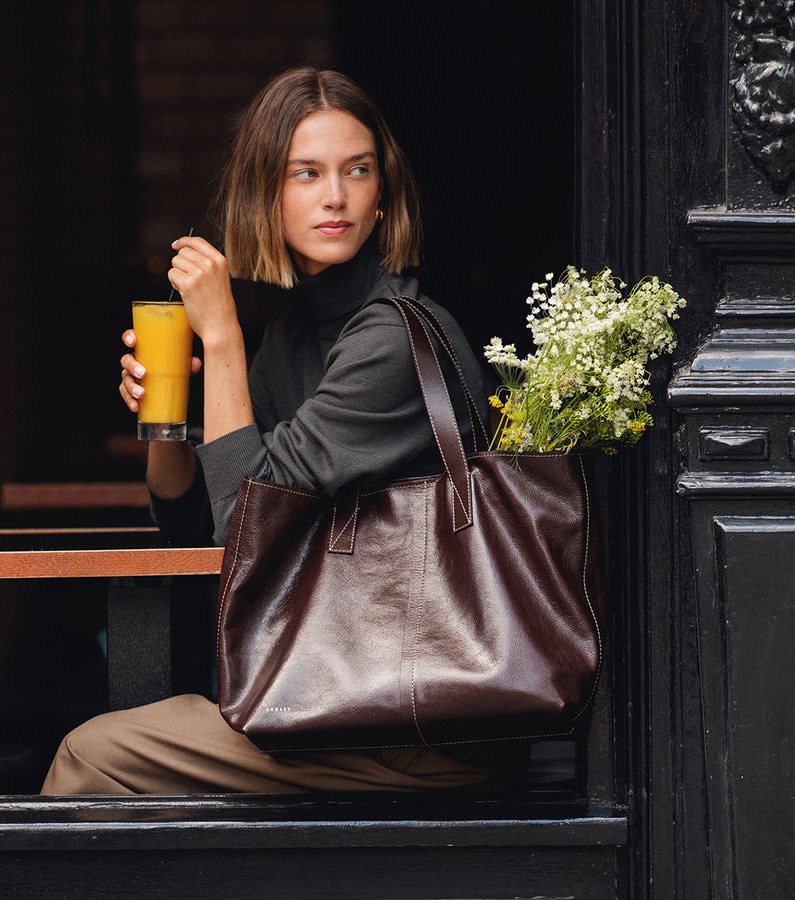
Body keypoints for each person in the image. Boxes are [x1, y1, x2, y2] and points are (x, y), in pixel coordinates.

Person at [41, 67, 511, 794]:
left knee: (92, 756)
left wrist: (223, 340)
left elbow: (243, 530)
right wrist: (167, 423)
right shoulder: (295, 335)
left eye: (357, 171)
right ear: (268, 194)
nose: (335, 196)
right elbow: (196, 525)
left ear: (383, 194)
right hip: (334, 688)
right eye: (307, 174)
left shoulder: (392, 340)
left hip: (415, 719)